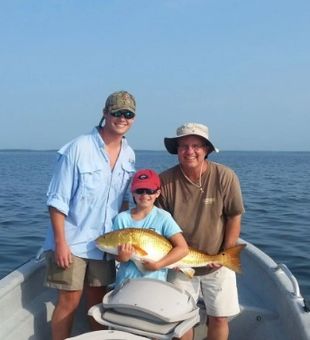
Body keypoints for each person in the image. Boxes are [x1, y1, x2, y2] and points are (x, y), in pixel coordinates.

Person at [43, 90, 137, 340]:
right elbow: (56, 201)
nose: (122, 117)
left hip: (106, 243)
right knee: (69, 301)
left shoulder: (129, 154)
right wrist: (60, 243)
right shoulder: (77, 148)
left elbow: (124, 203)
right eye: (116, 112)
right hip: (73, 242)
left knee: (98, 301)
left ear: (133, 119)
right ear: (105, 113)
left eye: (128, 114)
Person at [157, 122, 245, 340]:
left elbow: (234, 215)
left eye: (196, 145)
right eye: (184, 146)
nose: (190, 151)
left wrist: (225, 253)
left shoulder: (225, 176)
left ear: (206, 149)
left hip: (218, 260)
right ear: (176, 150)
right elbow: (158, 226)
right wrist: (171, 259)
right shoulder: (165, 181)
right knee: (181, 319)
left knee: (219, 317)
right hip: (178, 262)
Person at [113, 168, 189, 287]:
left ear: (157, 193)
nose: (144, 195)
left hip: (155, 285)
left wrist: (158, 265)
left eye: (150, 191)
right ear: (132, 192)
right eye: (139, 190)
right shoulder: (122, 218)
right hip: (125, 284)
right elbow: (115, 253)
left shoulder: (164, 217)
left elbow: (183, 248)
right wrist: (122, 257)